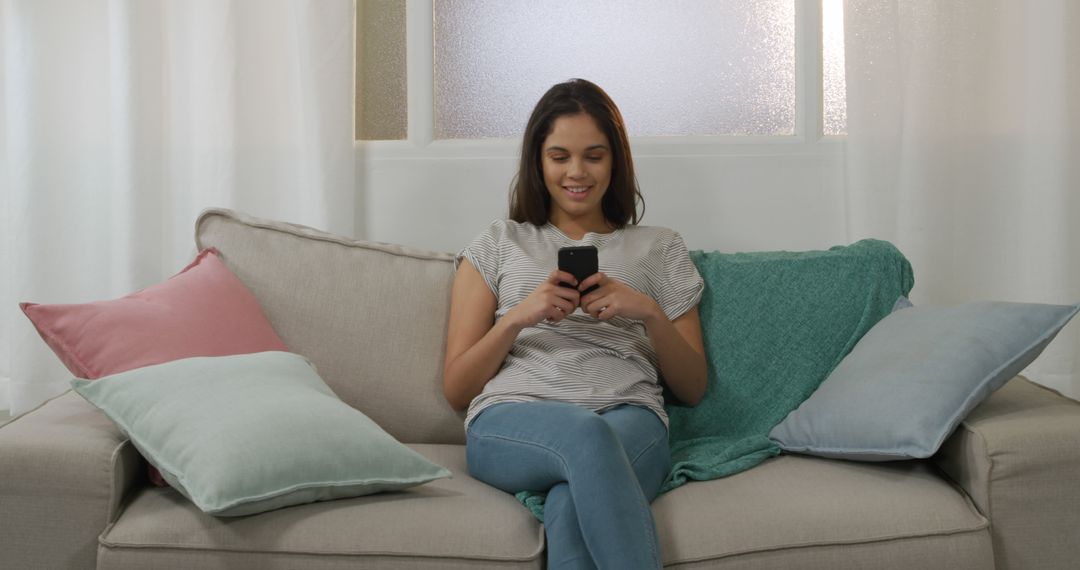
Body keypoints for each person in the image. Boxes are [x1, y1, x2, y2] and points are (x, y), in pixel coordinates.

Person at [443, 78, 706, 569]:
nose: (577, 172)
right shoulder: (497, 243)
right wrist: (519, 317)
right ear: (538, 162)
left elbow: (692, 387)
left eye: (594, 155)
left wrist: (647, 311)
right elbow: (457, 388)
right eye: (559, 156)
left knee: (569, 500)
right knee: (584, 436)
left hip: (629, 417)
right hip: (513, 419)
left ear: (616, 161)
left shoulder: (661, 246)